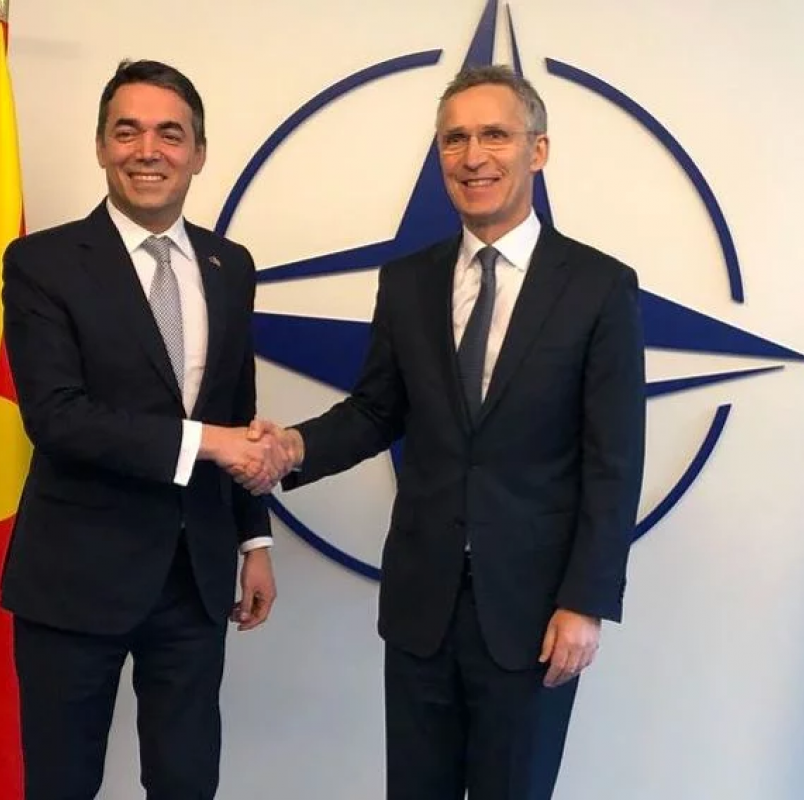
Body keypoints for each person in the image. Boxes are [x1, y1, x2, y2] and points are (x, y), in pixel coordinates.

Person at [264, 64, 646, 799]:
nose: (473, 157)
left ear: (537, 150)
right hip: (421, 606)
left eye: (495, 135)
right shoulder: (406, 281)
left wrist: (586, 601)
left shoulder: (600, 286)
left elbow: (614, 459)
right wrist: (292, 448)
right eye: (455, 139)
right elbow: (376, 410)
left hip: (535, 613)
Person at [1, 59, 288, 800]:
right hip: (73, 580)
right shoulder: (42, 263)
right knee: (62, 784)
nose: (147, 150)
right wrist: (207, 443)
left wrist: (253, 541)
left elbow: (237, 406)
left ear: (198, 152)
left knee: (187, 781)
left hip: (195, 578)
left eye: (169, 133)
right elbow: (57, 417)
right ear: (101, 146)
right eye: (127, 132)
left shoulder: (230, 265)